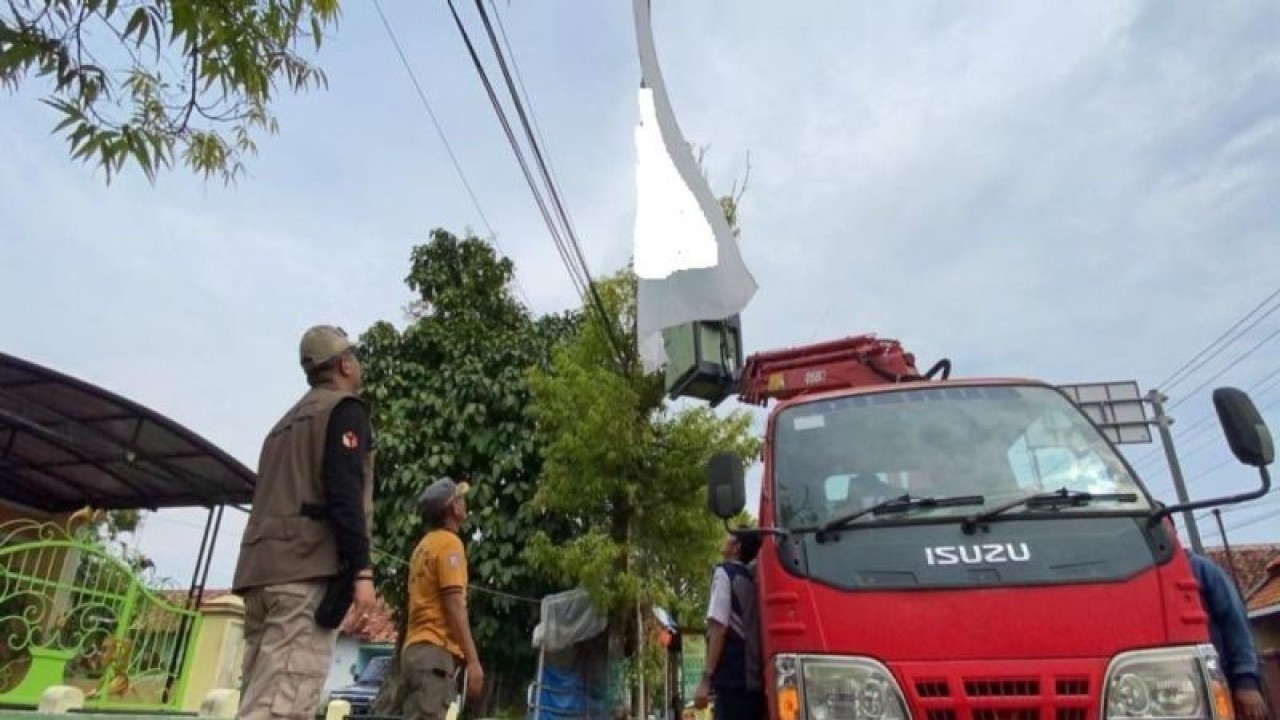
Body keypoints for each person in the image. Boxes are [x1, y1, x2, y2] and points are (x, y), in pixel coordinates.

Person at [231, 325, 378, 720]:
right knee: (284, 705)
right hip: (303, 573)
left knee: (259, 695)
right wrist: (362, 572)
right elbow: (344, 494)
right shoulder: (344, 411)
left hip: (259, 571)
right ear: (345, 364)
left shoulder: (281, 426)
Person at [402, 476, 485, 720]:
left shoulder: (424, 546)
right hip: (433, 653)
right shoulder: (450, 544)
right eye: (460, 499)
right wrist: (473, 661)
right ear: (452, 508)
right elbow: (454, 605)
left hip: (414, 650)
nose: (464, 503)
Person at [1186, 551, 1268, 720]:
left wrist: (1246, 680)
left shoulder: (1200, 568)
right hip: (1183, 692)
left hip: (1223, 684)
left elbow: (1235, 621)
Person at [695, 530, 766, 720]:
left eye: (730, 537)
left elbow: (719, 628)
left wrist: (706, 679)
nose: (725, 538)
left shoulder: (724, 573)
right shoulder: (753, 579)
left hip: (731, 678)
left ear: (737, 548)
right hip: (753, 679)